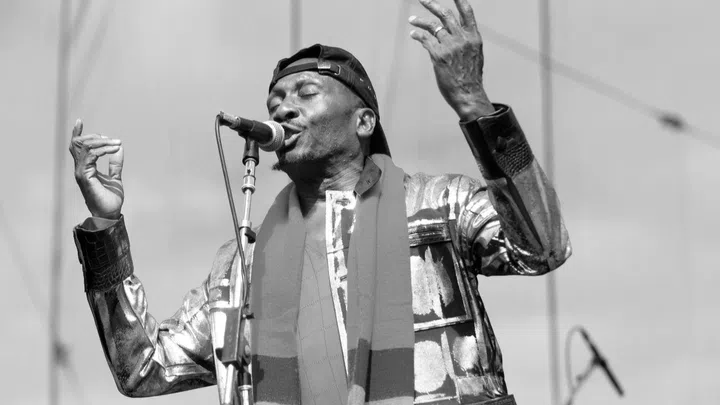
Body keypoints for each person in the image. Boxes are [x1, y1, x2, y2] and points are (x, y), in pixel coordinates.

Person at [69, 0, 571, 404]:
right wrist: (106, 223)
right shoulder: (241, 265)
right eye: (274, 103)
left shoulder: (439, 205)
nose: (283, 109)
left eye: (305, 93)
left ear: (363, 122)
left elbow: (543, 248)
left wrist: (472, 102)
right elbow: (143, 368)